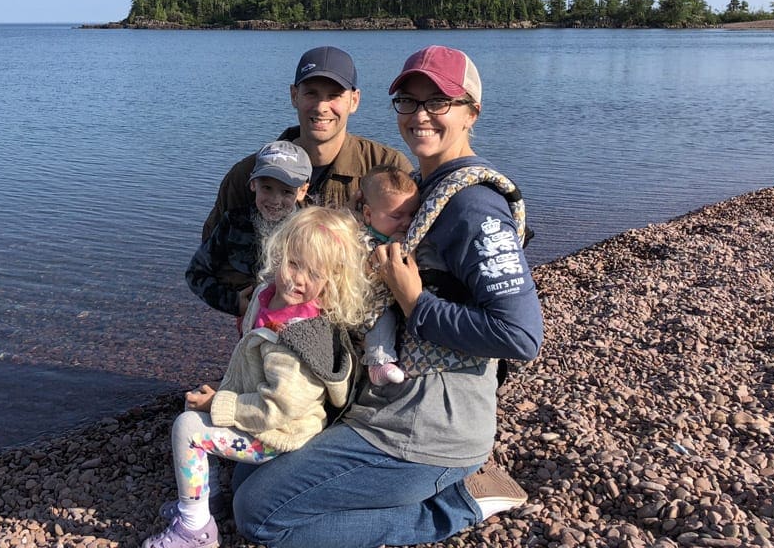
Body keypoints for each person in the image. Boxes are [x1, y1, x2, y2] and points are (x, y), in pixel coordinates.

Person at [231, 45, 544, 548]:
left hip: (428, 429)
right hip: (382, 403)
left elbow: (521, 335)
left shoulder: (474, 208)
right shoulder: (416, 191)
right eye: (408, 101)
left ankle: (455, 506)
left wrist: (417, 301)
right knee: (243, 477)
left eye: (439, 101)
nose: (421, 115)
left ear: (471, 112)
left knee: (257, 515)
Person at [141, 206, 369, 548]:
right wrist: (222, 392)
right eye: (293, 263)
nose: (297, 279)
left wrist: (221, 402)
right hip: (263, 414)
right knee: (193, 408)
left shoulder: (299, 341)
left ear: (332, 281)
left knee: (187, 429)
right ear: (279, 252)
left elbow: (277, 409)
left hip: (281, 435)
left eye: (314, 273)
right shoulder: (266, 296)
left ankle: (196, 529)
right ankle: (208, 498)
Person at [201, 45, 412, 242]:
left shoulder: (388, 166)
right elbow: (209, 258)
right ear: (294, 96)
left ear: (354, 100)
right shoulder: (246, 174)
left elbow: (418, 247)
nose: (321, 107)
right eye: (311, 93)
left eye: (334, 95)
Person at [185, 140, 312, 319]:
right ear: (253, 183)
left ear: (302, 191)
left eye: (286, 192)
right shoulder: (233, 224)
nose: (275, 200)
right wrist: (235, 304)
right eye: (267, 188)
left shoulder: (311, 230)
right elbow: (195, 273)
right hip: (250, 319)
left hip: (300, 320)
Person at [356, 164, 419, 386]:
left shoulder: (396, 233)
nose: (407, 222)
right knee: (382, 321)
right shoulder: (362, 239)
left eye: (412, 214)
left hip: (396, 296)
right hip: (369, 303)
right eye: (396, 215)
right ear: (368, 214)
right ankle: (378, 363)